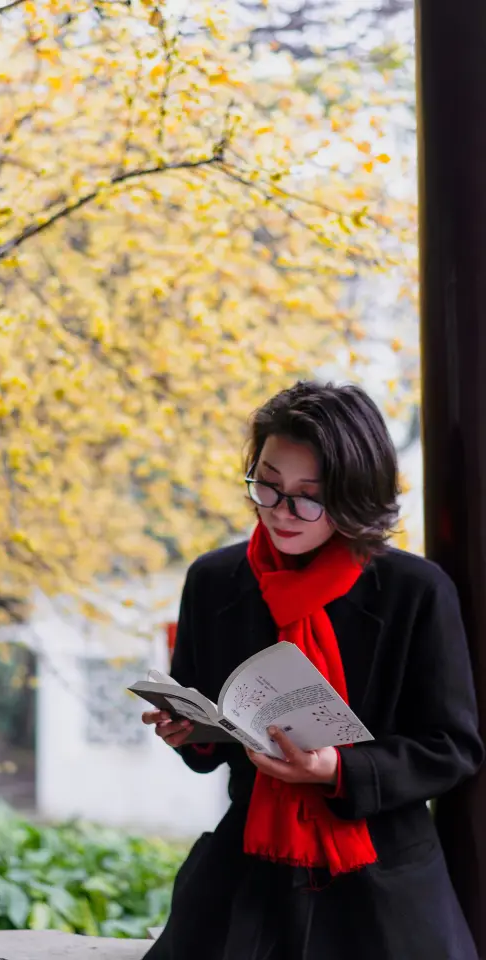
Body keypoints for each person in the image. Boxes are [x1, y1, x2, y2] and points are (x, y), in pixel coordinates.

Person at [142, 381, 484, 960]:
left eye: (308, 496)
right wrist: (191, 734)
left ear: (355, 494)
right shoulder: (214, 581)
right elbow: (216, 740)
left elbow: (451, 747)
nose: (280, 511)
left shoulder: (415, 592)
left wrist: (336, 770)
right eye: (267, 485)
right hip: (246, 881)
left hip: (380, 888)